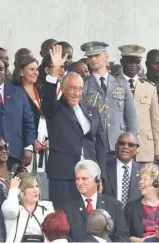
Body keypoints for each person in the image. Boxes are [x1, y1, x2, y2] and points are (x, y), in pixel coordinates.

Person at [41, 45, 106, 209]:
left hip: (89, 176)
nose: (76, 93)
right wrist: (54, 71)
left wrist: (100, 176)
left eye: (79, 89)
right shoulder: (55, 110)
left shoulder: (92, 111)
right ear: (63, 89)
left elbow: (100, 145)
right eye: (72, 88)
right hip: (64, 176)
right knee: (65, 219)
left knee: (89, 217)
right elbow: (47, 100)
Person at [81, 41, 138, 153]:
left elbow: (131, 116)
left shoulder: (121, 83)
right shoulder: (83, 85)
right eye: (90, 56)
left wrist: (133, 141)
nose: (93, 59)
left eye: (97, 55)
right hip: (94, 144)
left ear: (106, 56)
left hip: (119, 143)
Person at [64, 160, 128, 242]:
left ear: (97, 180)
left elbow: (122, 235)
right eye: (77, 179)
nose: (79, 183)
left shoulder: (114, 205)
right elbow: (66, 237)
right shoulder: (68, 208)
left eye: (84, 179)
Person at [119, 45, 159, 163]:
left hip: (144, 148)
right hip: (120, 147)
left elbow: (156, 121)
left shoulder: (149, 87)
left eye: (137, 62)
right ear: (122, 62)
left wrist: (158, 150)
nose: (134, 65)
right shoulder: (114, 84)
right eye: (130, 62)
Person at [12, 55, 49, 173]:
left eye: (37, 69)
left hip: (44, 147)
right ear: (21, 71)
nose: (36, 73)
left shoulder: (41, 90)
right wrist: (30, 142)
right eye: (32, 69)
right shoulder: (14, 92)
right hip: (24, 148)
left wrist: (48, 138)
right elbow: (16, 121)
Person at [124, 164, 159, 242]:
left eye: (145, 179)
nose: (140, 182)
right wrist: (140, 241)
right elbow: (124, 235)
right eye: (140, 179)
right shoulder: (131, 207)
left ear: (156, 183)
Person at [2, 172, 54, 243]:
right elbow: (11, 211)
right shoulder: (12, 205)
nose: (36, 190)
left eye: (37, 186)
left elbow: (55, 234)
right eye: (31, 187)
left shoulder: (46, 208)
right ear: (22, 190)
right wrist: (13, 189)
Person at [103, 132, 143, 206]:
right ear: (115, 146)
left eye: (130, 145)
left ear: (135, 149)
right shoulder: (104, 167)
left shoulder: (143, 172)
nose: (126, 147)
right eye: (122, 143)